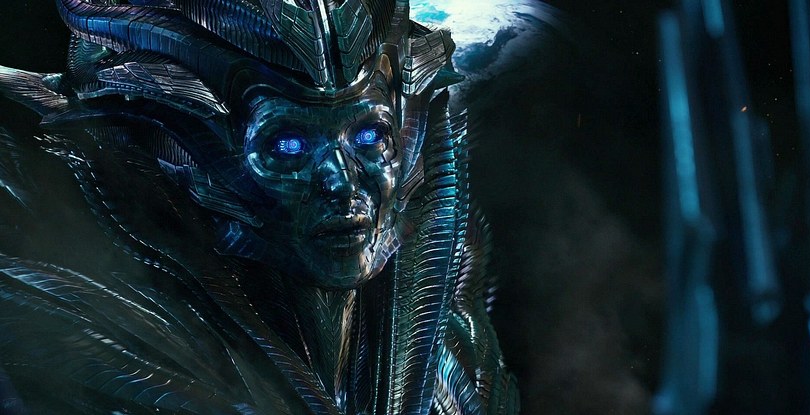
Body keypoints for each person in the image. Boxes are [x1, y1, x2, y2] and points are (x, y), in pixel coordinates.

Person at [0, 0, 518, 414]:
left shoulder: (445, 323)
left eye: (368, 137)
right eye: (288, 145)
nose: (341, 183)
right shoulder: (88, 322)